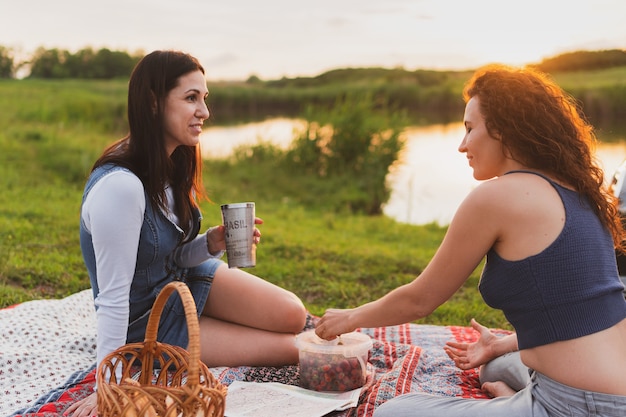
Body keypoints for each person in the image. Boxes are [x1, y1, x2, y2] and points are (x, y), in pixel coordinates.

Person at [315, 64, 626, 416]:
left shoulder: (495, 198)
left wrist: (350, 318)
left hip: (579, 405)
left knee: (393, 411)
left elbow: (420, 299)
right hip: (612, 387)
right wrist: (498, 346)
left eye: (469, 128)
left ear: (503, 130)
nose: (463, 145)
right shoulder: (579, 189)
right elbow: (581, 312)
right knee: (492, 365)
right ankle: (509, 395)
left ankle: (514, 402)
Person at [65, 50, 307, 417]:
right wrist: (107, 384)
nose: (204, 112)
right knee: (294, 348)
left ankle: (228, 323)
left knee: (293, 314)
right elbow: (113, 299)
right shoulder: (121, 188)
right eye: (191, 98)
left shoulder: (174, 160)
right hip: (148, 318)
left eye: (204, 99)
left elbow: (171, 255)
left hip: (184, 278)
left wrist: (210, 244)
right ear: (153, 102)